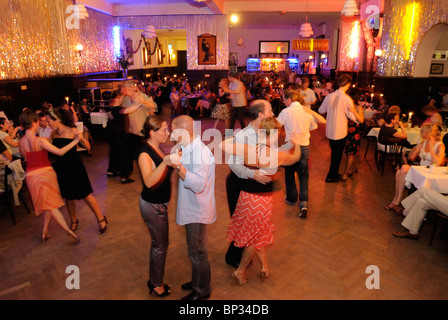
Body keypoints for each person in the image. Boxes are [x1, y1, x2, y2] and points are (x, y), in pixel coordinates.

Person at [220, 117, 302, 285]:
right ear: (274, 134)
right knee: (254, 236)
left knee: (256, 232)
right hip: (261, 202)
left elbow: (225, 148)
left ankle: (264, 265)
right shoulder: (275, 155)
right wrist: (298, 143)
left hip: (246, 197)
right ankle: (240, 271)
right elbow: (294, 158)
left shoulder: (250, 150)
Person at [163, 115, 216, 300]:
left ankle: (202, 291)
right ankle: (197, 282)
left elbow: (199, 185)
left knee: (198, 252)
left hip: (197, 211)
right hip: (192, 207)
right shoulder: (186, 148)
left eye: (173, 130)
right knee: (193, 249)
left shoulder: (200, 153)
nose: (170, 133)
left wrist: (179, 168)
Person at [225, 100, 274, 268]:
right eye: (270, 111)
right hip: (239, 183)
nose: (272, 114)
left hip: (254, 184)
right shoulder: (243, 136)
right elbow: (233, 163)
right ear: (260, 115)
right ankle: (233, 257)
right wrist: (253, 174)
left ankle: (244, 255)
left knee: (252, 224)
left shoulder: (267, 132)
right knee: (241, 224)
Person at [18, 110, 80, 244]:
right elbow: (60, 152)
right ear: (34, 122)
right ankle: (68, 231)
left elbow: (25, 157)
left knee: (47, 204)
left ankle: (45, 231)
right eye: (38, 121)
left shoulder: (20, 142)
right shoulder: (39, 140)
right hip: (45, 174)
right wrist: (76, 141)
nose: (40, 123)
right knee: (52, 205)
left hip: (31, 177)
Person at [46, 108, 108, 234]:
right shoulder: (53, 133)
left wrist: (82, 139)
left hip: (75, 167)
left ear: (57, 119)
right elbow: (47, 146)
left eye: (49, 121)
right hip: (61, 168)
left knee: (86, 195)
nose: (48, 123)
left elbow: (88, 147)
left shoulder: (73, 131)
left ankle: (101, 219)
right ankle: (74, 220)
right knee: (68, 196)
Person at [138, 116, 173, 297]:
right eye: (164, 130)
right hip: (153, 206)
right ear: (152, 133)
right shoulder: (145, 153)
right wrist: (167, 162)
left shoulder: (158, 147)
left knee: (160, 244)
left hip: (159, 204)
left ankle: (154, 279)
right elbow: (149, 181)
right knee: (160, 245)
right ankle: (156, 284)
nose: (168, 133)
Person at [277, 88, 323, 218]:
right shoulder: (305, 111)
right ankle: (303, 204)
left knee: (289, 173)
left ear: (289, 99)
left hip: (291, 147)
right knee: (303, 176)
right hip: (304, 147)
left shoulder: (285, 112)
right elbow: (315, 125)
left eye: (284, 99)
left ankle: (291, 198)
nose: (283, 102)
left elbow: (276, 126)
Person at [386, 123, 445, 213]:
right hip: (421, 170)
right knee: (399, 172)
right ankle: (396, 200)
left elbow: (438, 163)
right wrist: (416, 149)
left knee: (403, 169)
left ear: (430, 134)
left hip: (431, 174)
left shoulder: (440, 145)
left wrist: (432, 149)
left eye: (424, 134)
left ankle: (396, 201)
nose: (422, 136)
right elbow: (411, 158)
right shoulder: (424, 142)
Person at [318, 74, 357, 183]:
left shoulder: (330, 96)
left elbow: (321, 110)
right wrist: (358, 116)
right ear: (348, 84)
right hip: (340, 131)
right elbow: (352, 116)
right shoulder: (346, 98)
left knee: (335, 154)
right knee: (337, 155)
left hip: (330, 130)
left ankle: (333, 174)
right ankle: (331, 176)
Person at [122, 80, 157, 159]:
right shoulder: (126, 98)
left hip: (141, 129)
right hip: (131, 130)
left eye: (128, 89)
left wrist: (143, 102)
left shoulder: (141, 96)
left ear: (133, 88)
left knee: (142, 154)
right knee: (133, 153)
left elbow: (153, 107)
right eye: (125, 89)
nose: (126, 91)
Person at [341, 90, 365, 182]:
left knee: (350, 153)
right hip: (345, 130)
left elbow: (361, 120)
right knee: (347, 153)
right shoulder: (346, 106)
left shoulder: (358, 107)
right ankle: (352, 169)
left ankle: (346, 173)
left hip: (354, 132)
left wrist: (354, 111)